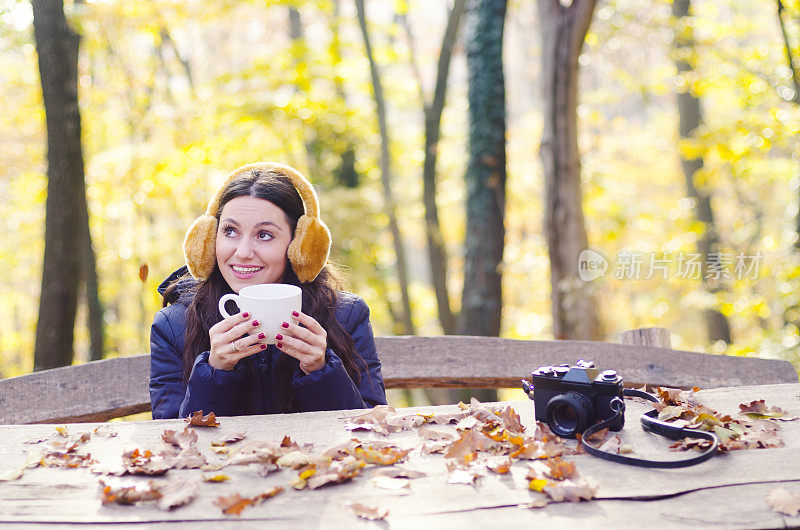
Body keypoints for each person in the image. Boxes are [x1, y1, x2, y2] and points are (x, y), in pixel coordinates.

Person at [149, 162, 387, 419]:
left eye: (264, 235)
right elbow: (170, 436)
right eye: (230, 231)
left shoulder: (346, 315)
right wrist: (215, 371)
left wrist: (321, 370)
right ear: (209, 239)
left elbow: (371, 425)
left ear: (300, 247)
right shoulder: (173, 325)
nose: (242, 252)